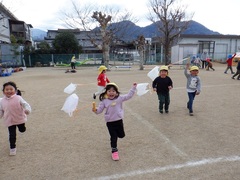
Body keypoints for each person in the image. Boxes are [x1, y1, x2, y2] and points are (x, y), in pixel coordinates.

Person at [92, 82, 137, 161]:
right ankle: (114, 151)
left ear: (116, 92)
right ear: (106, 92)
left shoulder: (119, 98)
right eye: (109, 91)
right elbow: (99, 111)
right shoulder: (104, 101)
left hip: (119, 120)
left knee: (121, 135)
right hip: (110, 122)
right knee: (113, 137)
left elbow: (128, 96)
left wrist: (133, 88)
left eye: (113, 91)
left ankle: (118, 138)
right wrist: (95, 110)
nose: (111, 93)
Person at [0, 81, 31, 156]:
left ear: (15, 90)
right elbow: (1, 110)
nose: (9, 91)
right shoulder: (1, 101)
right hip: (9, 120)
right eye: (7, 89)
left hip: (19, 119)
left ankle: (23, 128)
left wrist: (27, 110)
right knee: (12, 135)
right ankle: (12, 148)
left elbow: (25, 104)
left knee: (22, 130)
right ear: (3, 91)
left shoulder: (18, 98)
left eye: (11, 89)